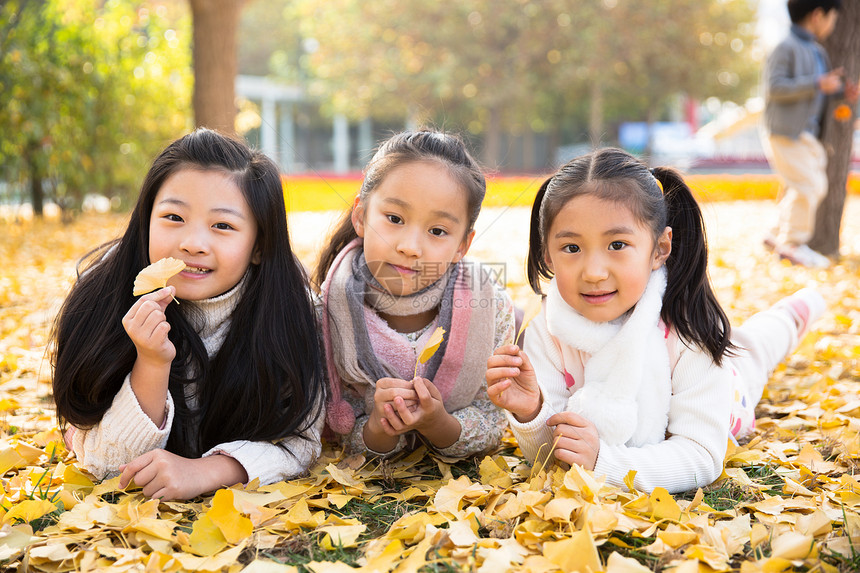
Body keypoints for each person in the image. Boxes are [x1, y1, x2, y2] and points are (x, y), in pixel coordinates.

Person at [486, 148, 826, 493]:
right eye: (572, 249)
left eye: (617, 244)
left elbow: (700, 456)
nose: (593, 272)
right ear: (547, 253)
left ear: (660, 249)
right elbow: (557, 454)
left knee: (754, 351)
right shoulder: (548, 329)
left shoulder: (689, 330)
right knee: (746, 345)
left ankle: (796, 312)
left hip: (731, 389)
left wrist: (606, 463)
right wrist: (532, 412)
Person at [52, 129, 326, 501]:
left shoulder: (292, 311)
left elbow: (300, 442)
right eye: (173, 217)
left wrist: (205, 471)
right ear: (146, 219)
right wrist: (151, 362)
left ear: (259, 245)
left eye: (223, 226)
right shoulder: (103, 299)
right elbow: (105, 466)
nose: (192, 243)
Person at [315, 130, 514, 458]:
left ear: (462, 245)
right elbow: (337, 427)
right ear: (361, 216)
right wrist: (378, 428)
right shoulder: (327, 313)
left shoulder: (491, 308)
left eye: (437, 231)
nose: (409, 247)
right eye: (394, 219)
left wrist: (439, 423)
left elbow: (492, 420)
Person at [761, 0, 847, 267]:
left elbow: (817, 93)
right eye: (832, 17)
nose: (833, 24)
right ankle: (793, 244)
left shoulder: (817, 51)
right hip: (786, 131)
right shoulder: (785, 46)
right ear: (818, 15)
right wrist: (817, 83)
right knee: (810, 185)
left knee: (803, 185)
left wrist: (841, 92)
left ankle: (775, 234)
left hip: (807, 135)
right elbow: (774, 88)